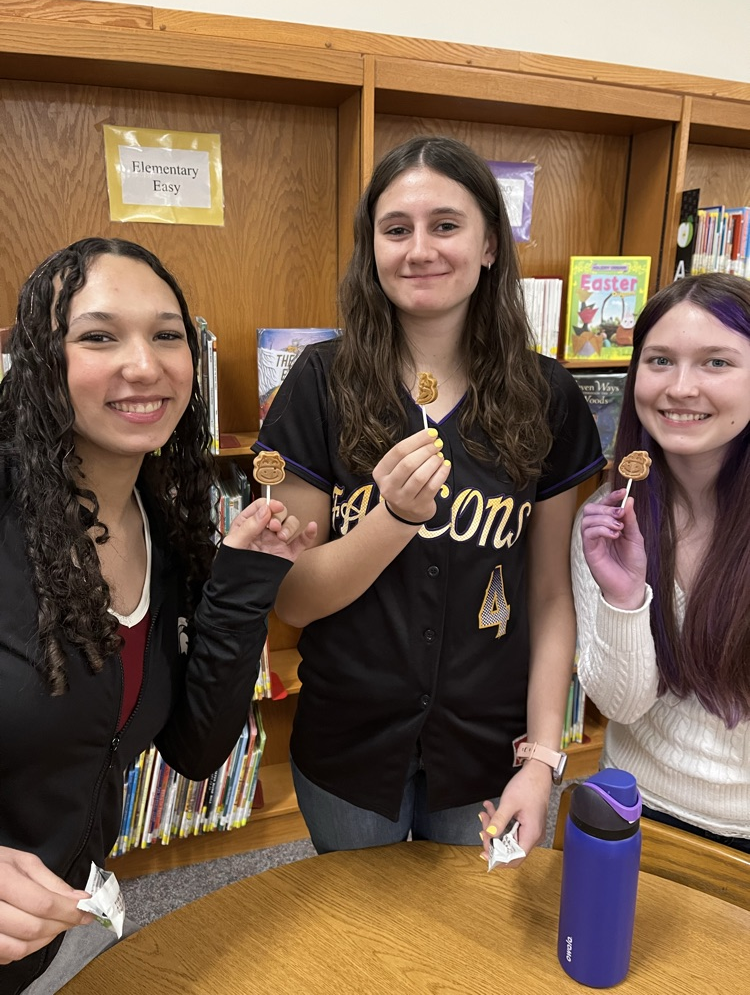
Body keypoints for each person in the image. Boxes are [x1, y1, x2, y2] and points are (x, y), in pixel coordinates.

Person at [254, 135, 605, 858]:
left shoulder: (549, 396)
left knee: (470, 943)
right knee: (362, 948)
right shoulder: (318, 385)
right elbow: (293, 599)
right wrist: (394, 519)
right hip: (350, 743)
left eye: (446, 225)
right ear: (371, 250)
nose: (420, 249)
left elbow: (548, 597)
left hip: (486, 746)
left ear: (488, 247)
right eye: (396, 229)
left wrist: (543, 758)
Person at [0, 237, 317, 994]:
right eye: (99, 335)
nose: (144, 366)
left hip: (61, 943)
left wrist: (242, 580)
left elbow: (198, 748)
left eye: (167, 334)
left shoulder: (168, 528)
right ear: (43, 363)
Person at [574, 272, 750, 851]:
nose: (680, 388)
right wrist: (624, 598)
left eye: (716, 363)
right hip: (632, 815)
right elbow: (622, 705)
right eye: (659, 361)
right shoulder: (606, 520)